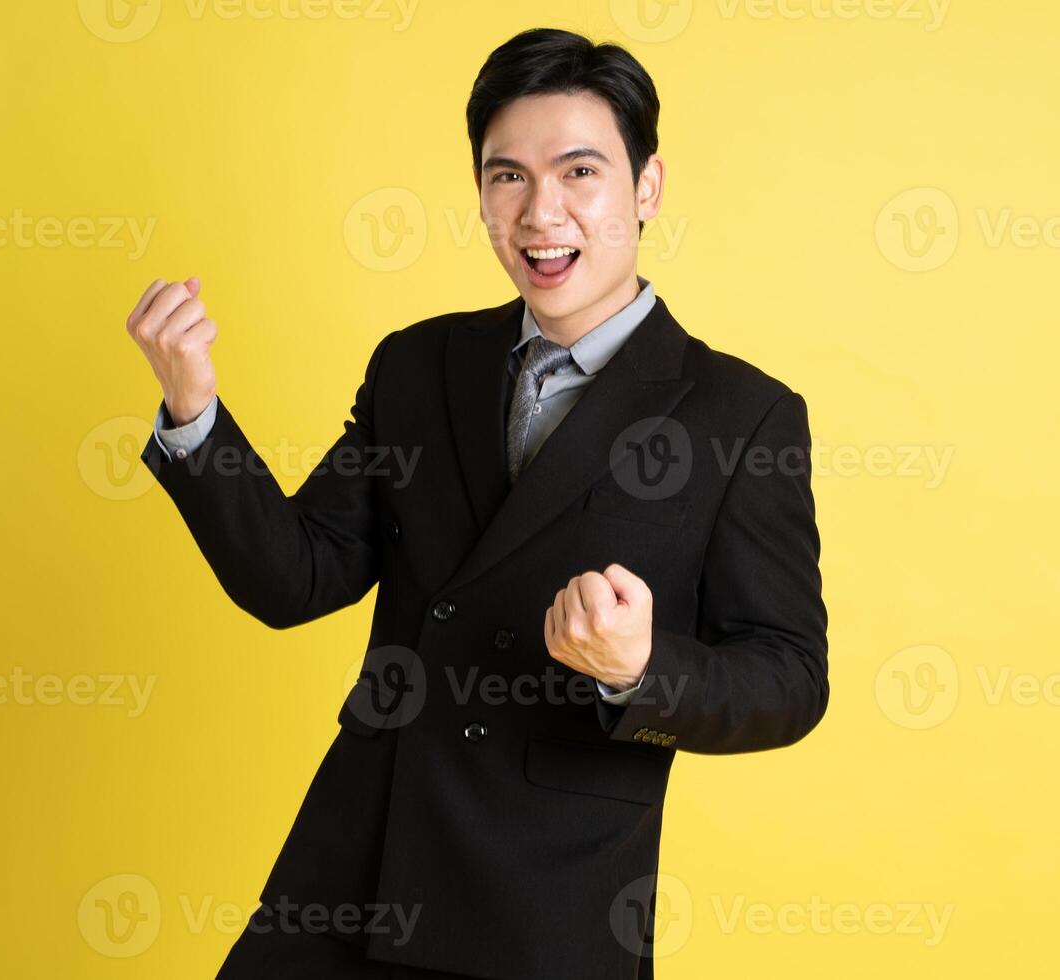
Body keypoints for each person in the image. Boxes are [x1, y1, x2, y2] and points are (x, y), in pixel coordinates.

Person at [124, 26, 829, 980]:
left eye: (579, 171)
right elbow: (295, 576)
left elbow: (788, 679)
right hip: (350, 872)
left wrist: (639, 667)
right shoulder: (418, 363)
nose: (541, 213)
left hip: (541, 909)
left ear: (646, 187)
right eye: (507, 177)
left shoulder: (741, 415)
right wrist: (195, 411)